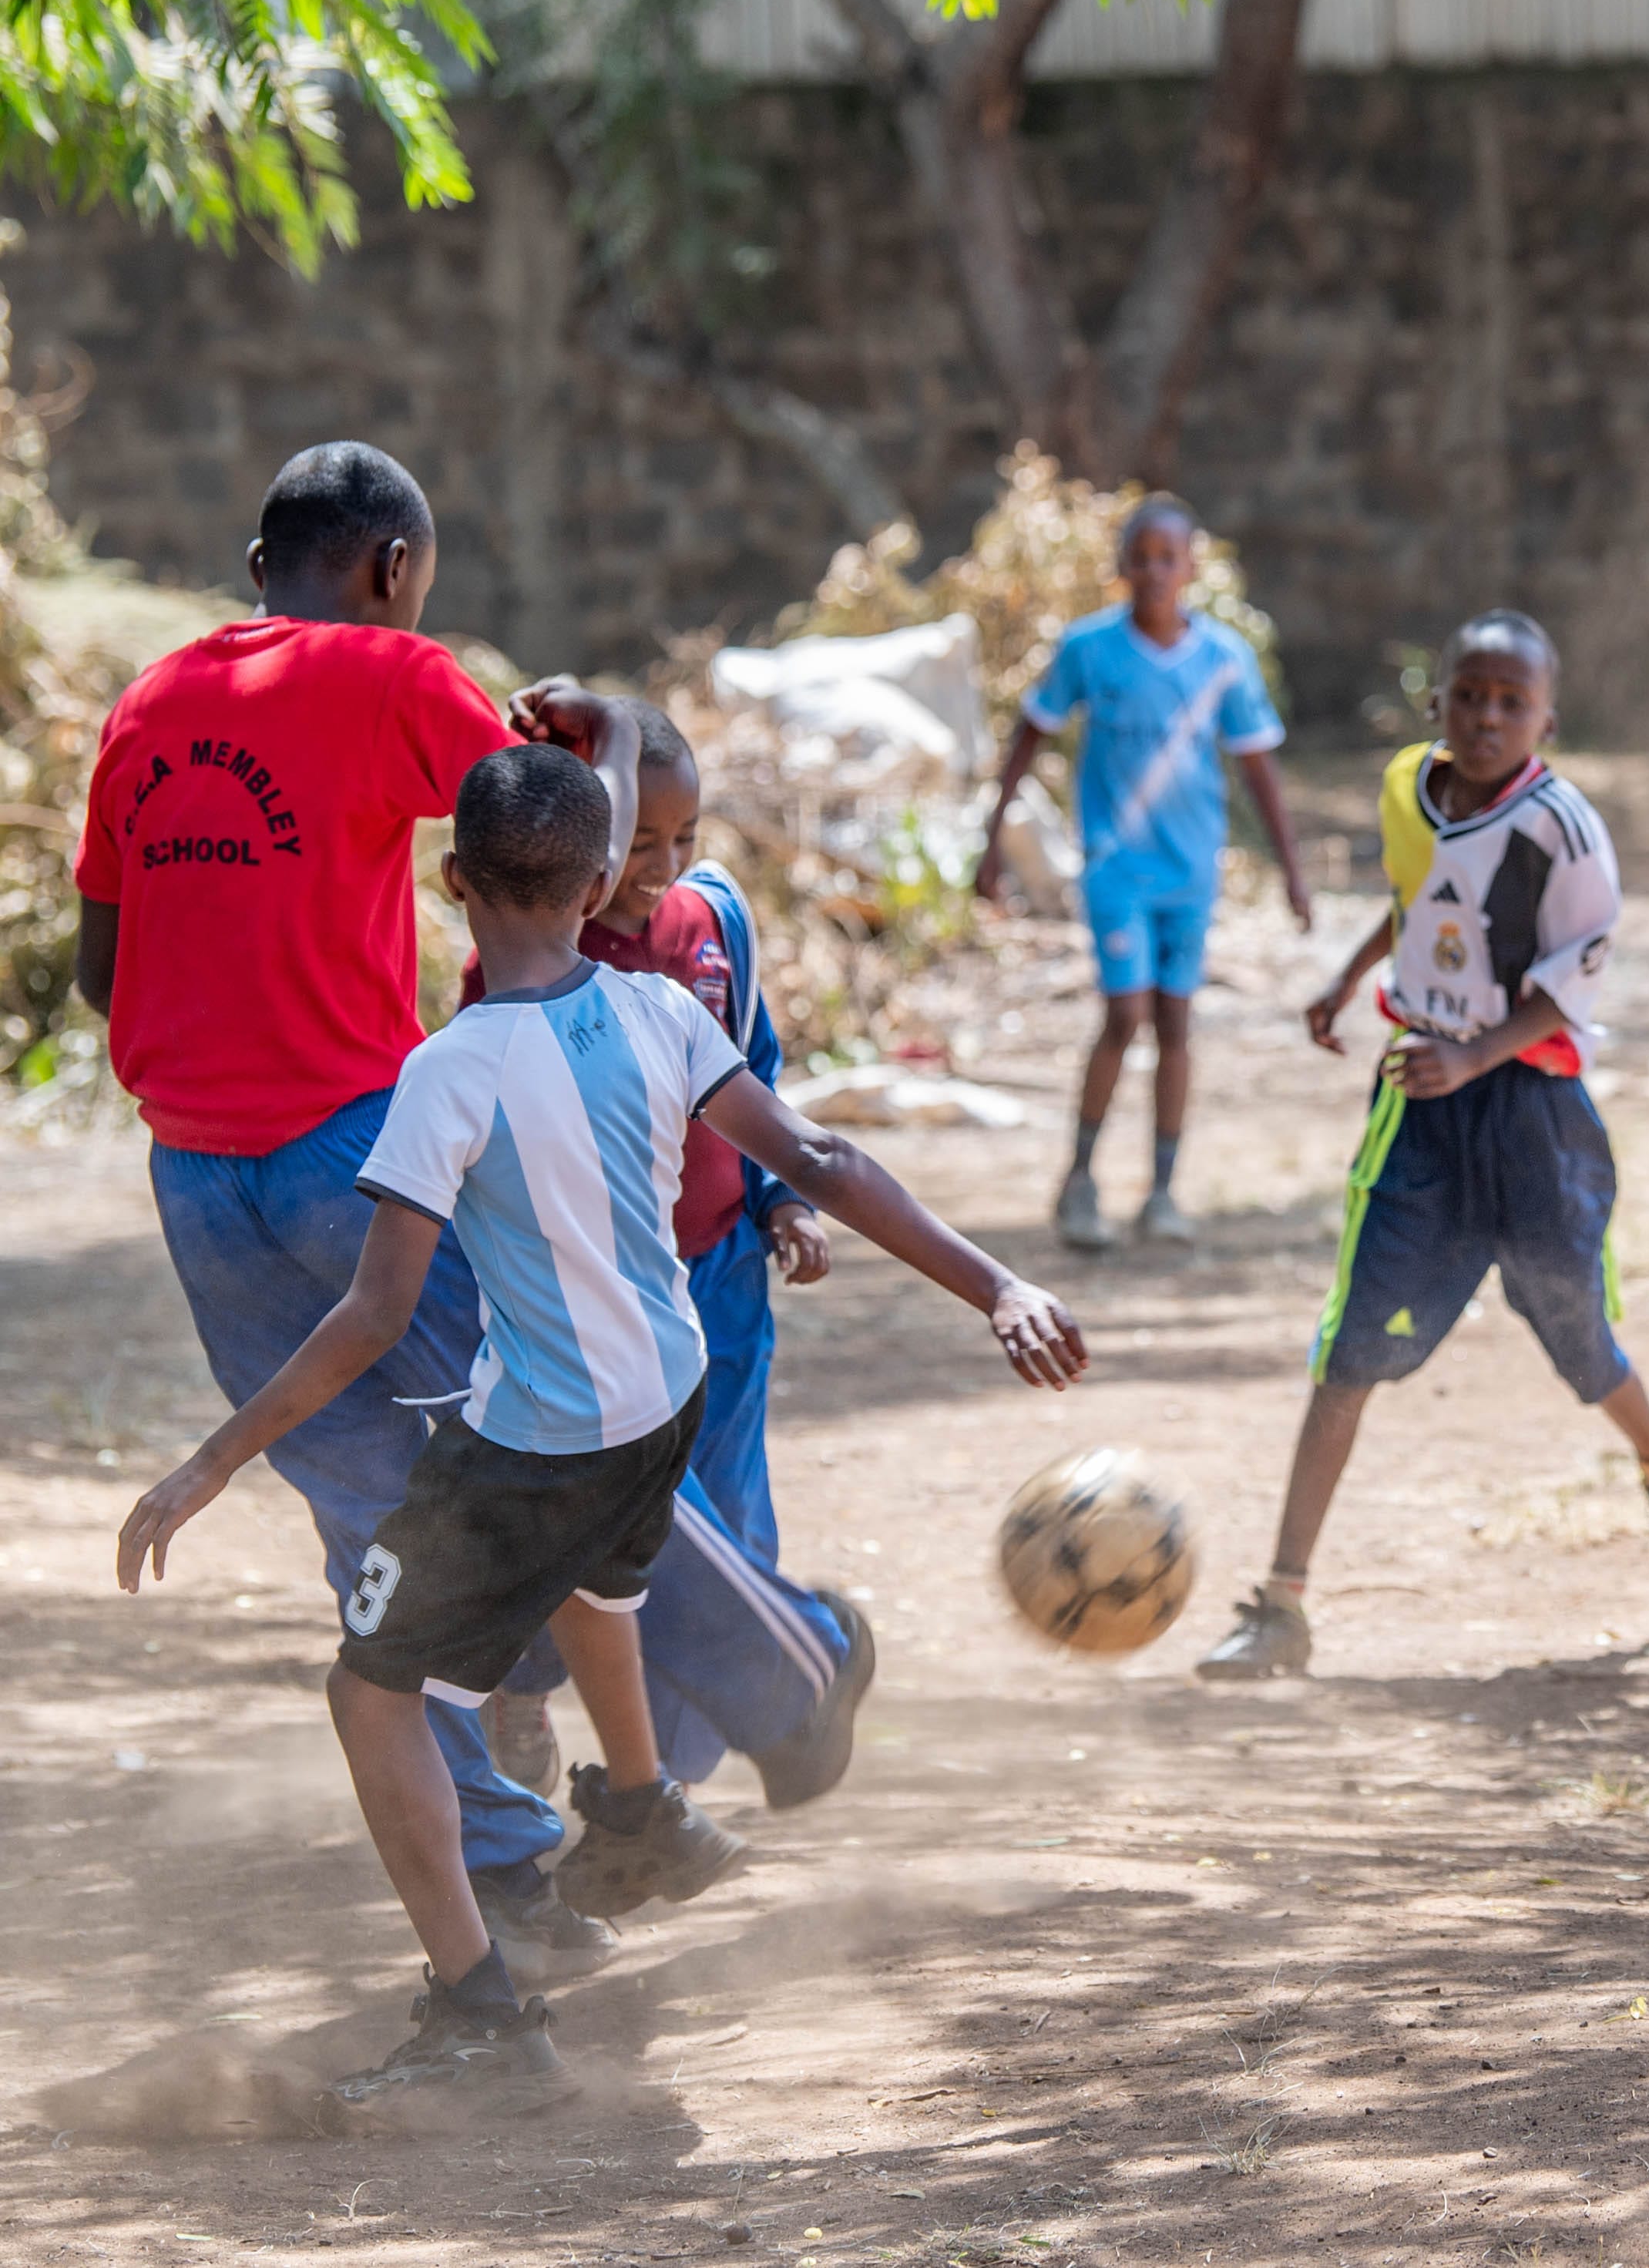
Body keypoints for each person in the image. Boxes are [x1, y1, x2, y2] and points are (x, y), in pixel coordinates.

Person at [115, 743, 1088, 2115]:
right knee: (593, 1574)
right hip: (663, 1404)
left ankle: (478, 2016)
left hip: (546, 1443)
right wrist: (998, 1287)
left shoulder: (448, 1070)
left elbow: (378, 1313)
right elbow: (821, 1158)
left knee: (370, 1692)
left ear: (451, 885)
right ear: (597, 887)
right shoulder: (662, 1011)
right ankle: (641, 1805)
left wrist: (213, 1459)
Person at [71, 443, 619, 1979]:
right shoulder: (394, 674)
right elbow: (549, 846)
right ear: (393, 569)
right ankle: (670, 1749)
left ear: (260, 569)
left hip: (198, 1180)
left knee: (368, 1523)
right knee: (531, 1441)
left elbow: (102, 975)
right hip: (361, 1156)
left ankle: (503, 1874)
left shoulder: (144, 705)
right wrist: (602, 752)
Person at [1194, 611, 1649, 1682]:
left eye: (1510, 703)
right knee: (1349, 1351)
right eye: (1469, 695)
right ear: (1435, 700)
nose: (1486, 717)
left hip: (1530, 1115)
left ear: (1546, 721)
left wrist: (1475, 1055)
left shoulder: (1563, 832)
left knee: (1579, 1338)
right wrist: (1349, 977)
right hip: (1421, 1115)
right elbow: (1415, 898)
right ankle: (1282, 1605)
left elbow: (1575, 979)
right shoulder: (1408, 787)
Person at [465, 703, 873, 1807]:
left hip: (721, 1277)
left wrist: (781, 1201)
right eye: (637, 838)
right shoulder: (528, 954)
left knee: (724, 1516)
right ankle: (529, 1691)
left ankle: (672, 1776)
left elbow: (757, 1067)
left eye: (684, 836)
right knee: (595, 1527)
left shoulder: (713, 921)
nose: (662, 864)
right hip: (596, 1300)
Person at [972, 496, 1311, 1251]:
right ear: (1122, 565)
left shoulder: (1224, 659)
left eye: (1169, 557)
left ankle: (1161, 1192)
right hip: (1116, 866)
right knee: (1125, 1014)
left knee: (1176, 1021)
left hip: (1190, 869)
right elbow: (1030, 736)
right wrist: (991, 841)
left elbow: (1258, 768)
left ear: (1192, 566)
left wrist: (1292, 871)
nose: (1155, 571)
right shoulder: (1089, 649)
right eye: (1141, 556)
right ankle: (1080, 1179)